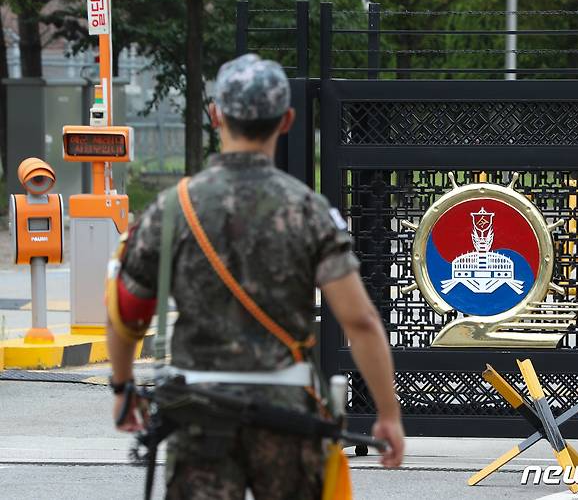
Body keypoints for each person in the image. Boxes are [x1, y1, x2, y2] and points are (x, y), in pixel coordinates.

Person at [106, 53, 404, 500]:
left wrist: (123, 387)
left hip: (198, 414)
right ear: (286, 121)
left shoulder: (172, 210)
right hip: (286, 416)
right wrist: (387, 413)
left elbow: (127, 312)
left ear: (215, 115)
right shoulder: (309, 211)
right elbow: (360, 321)